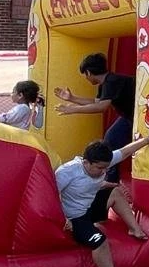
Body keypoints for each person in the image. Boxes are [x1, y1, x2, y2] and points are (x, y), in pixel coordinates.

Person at [56, 129, 149, 267]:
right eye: (99, 168)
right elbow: (49, 196)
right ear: (86, 162)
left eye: (106, 168)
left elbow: (126, 151)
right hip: (75, 217)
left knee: (115, 191)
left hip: (89, 207)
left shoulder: (102, 161)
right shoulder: (66, 172)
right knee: (100, 241)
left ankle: (134, 228)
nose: (103, 171)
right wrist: (63, 219)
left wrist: (147, 140)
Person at [55, 53, 136, 184]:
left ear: (88, 72)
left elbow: (101, 107)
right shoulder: (105, 83)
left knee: (111, 140)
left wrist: (73, 109)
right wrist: (72, 99)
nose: (86, 78)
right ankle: (110, 178)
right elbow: (97, 101)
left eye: (85, 75)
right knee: (111, 138)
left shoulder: (111, 81)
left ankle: (110, 180)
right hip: (129, 117)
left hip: (137, 116)